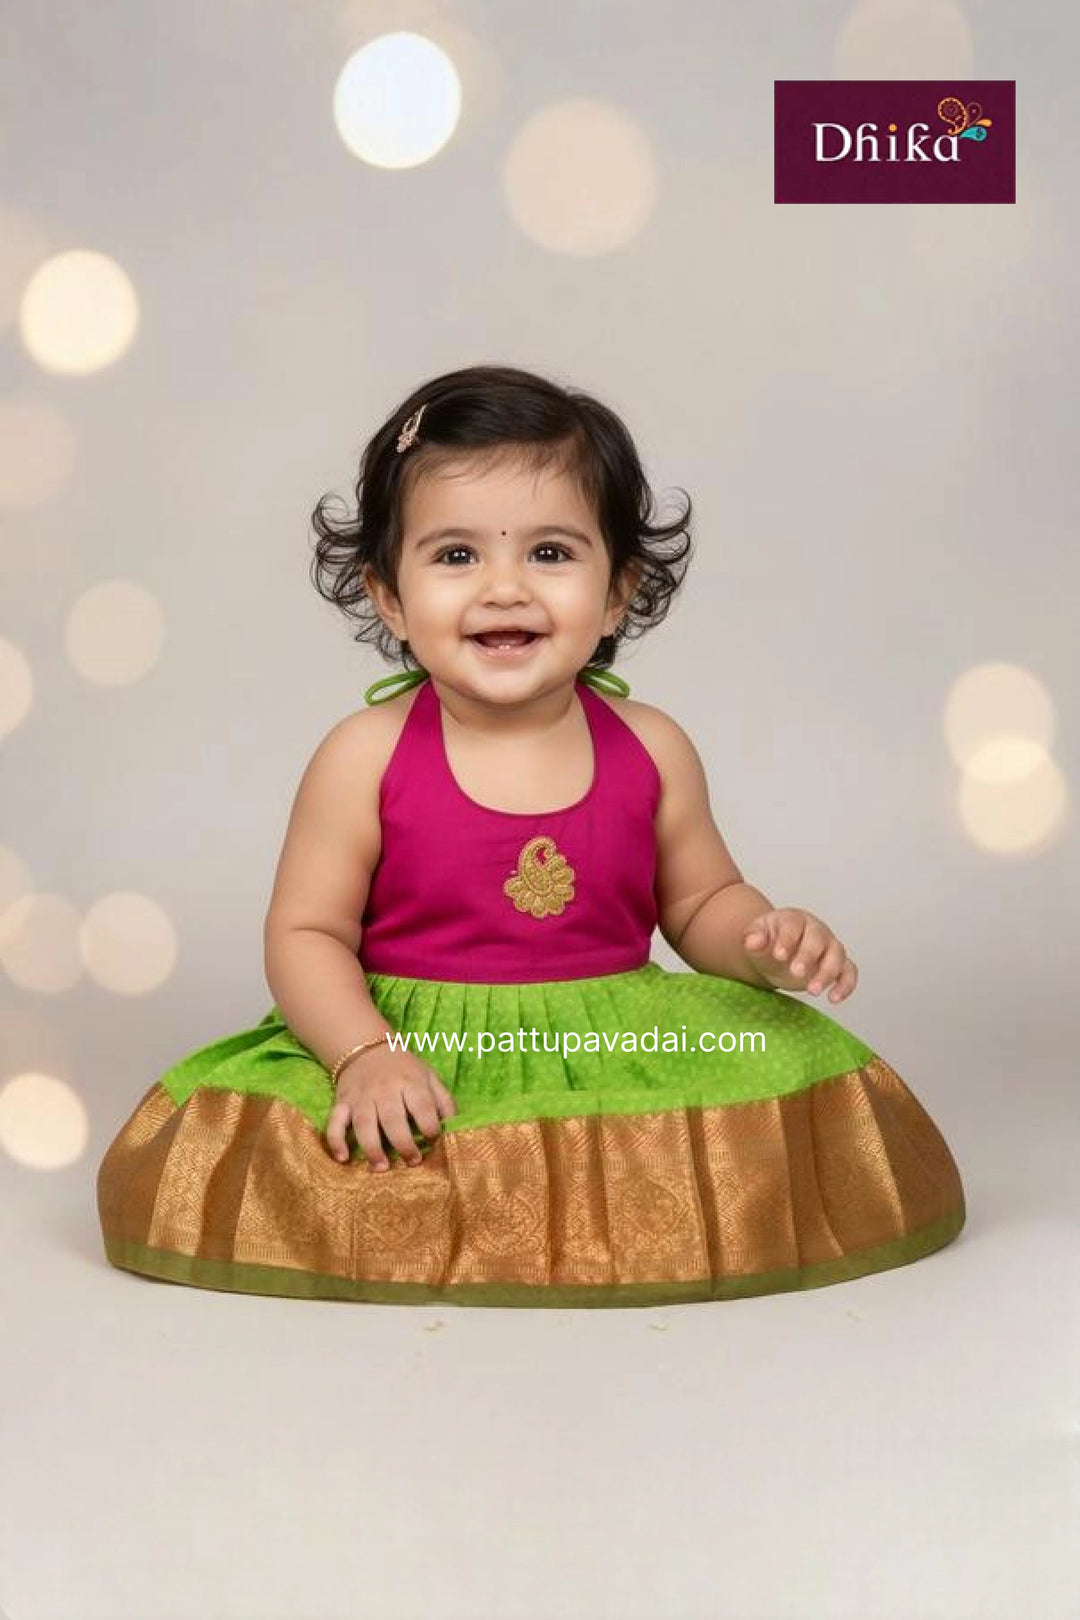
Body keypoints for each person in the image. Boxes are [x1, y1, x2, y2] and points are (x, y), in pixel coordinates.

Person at [96, 362, 966, 1307]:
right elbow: (306, 935)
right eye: (456, 556)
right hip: (408, 1035)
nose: (505, 588)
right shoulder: (365, 755)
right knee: (334, 1146)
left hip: (613, 1026)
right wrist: (362, 1053)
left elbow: (701, 900)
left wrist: (764, 943)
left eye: (551, 553)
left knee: (782, 1063)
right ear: (388, 596)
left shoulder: (652, 746)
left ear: (619, 591)